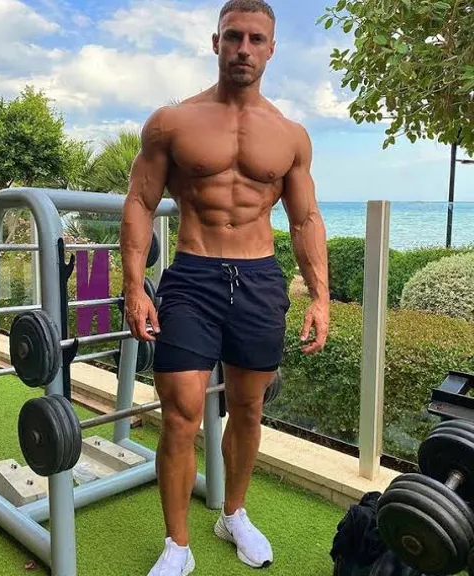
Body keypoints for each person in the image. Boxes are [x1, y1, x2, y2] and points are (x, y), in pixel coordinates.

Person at [120, 0, 330, 574]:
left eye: (255, 39)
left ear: (271, 48)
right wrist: (134, 286)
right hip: (193, 275)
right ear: (215, 43)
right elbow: (139, 201)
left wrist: (320, 295)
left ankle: (232, 513)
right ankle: (177, 546)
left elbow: (306, 219)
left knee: (248, 406)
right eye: (233, 36)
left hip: (260, 278)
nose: (243, 48)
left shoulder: (290, 135)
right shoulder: (172, 122)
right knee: (182, 410)